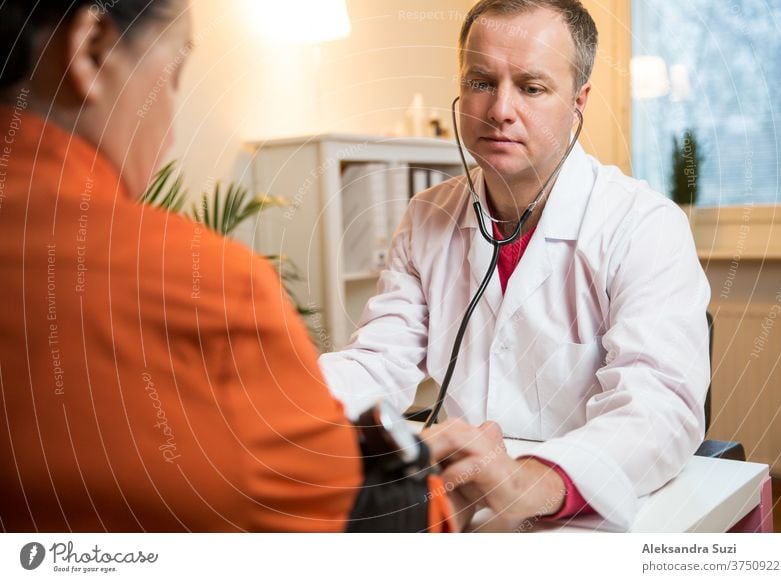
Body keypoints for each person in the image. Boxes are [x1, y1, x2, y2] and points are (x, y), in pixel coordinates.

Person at [0, 0, 459, 532]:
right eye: (173, 75)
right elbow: (361, 518)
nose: (170, 134)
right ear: (92, 49)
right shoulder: (203, 284)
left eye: (532, 87)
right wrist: (415, 469)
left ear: (579, 101)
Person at [321, 0, 711, 529]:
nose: (500, 109)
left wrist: (535, 479)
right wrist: (280, 402)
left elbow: (658, 404)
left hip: (586, 507)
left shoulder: (644, 224)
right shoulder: (427, 216)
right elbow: (377, 361)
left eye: (531, 87)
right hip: (463, 502)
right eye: (481, 81)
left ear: (579, 101)